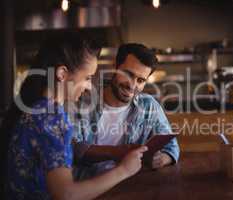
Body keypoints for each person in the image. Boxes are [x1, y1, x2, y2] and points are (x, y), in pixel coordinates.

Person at [1, 34, 147, 200]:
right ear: (62, 73)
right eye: (87, 78)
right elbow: (66, 194)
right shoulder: (51, 118)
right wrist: (124, 170)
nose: (88, 86)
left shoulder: (38, 109)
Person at [73, 43, 180, 179]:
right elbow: (73, 149)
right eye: (128, 74)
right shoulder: (81, 101)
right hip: (87, 188)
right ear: (115, 67)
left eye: (140, 80)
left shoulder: (149, 106)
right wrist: (117, 152)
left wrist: (160, 159)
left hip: (130, 187)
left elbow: (172, 148)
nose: (132, 85)